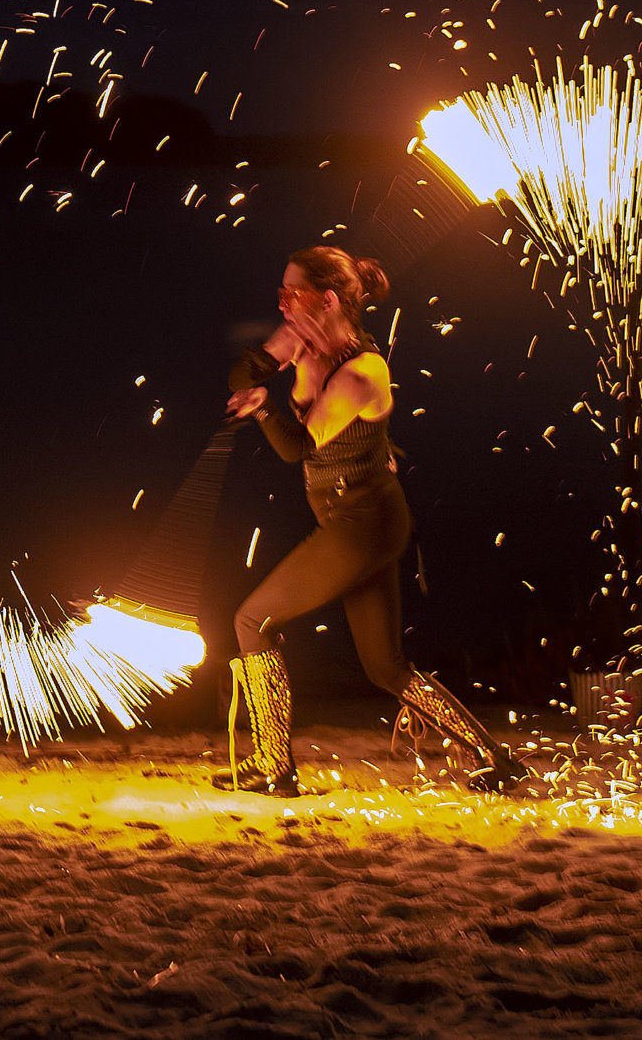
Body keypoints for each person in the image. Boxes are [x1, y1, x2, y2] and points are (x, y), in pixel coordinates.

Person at [219, 246, 524, 796]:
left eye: (293, 292)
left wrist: (264, 405)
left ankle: (275, 768)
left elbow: (293, 449)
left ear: (328, 299)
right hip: (349, 516)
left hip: (364, 521)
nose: (281, 303)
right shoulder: (301, 340)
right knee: (385, 668)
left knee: (252, 621)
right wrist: (269, 361)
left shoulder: (362, 371)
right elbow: (241, 370)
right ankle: (495, 758)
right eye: (281, 292)